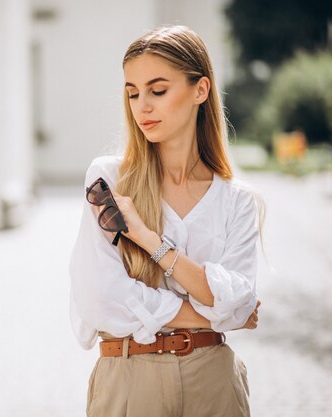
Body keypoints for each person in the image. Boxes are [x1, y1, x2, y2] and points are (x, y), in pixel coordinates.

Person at [69, 25, 262, 417]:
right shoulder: (110, 180)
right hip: (127, 378)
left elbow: (240, 301)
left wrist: (149, 241)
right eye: (133, 93)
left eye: (158, 90)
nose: (143, 106)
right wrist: (209, 310)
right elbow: (100, 299)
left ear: (200, 90)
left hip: (213, 382)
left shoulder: (237, 200)